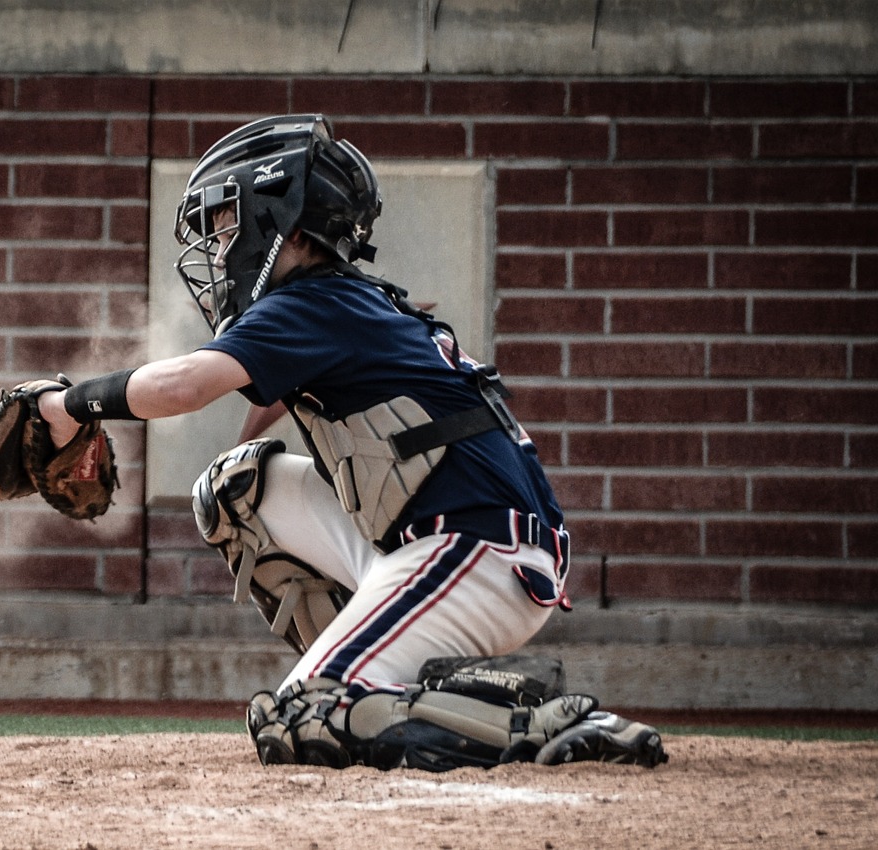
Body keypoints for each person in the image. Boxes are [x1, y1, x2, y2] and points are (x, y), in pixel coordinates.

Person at [37, 114, 666, 771]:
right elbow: (273, 392)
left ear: (281, 218)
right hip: (457, 541)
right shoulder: (340, 302)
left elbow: (186, 387)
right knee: (234, 491)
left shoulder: (313, 304)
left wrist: (70, 404)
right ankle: (364, 676)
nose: (221, 247)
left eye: (229, 225)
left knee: (302, 716)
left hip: (475, 553)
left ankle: (531, 719)